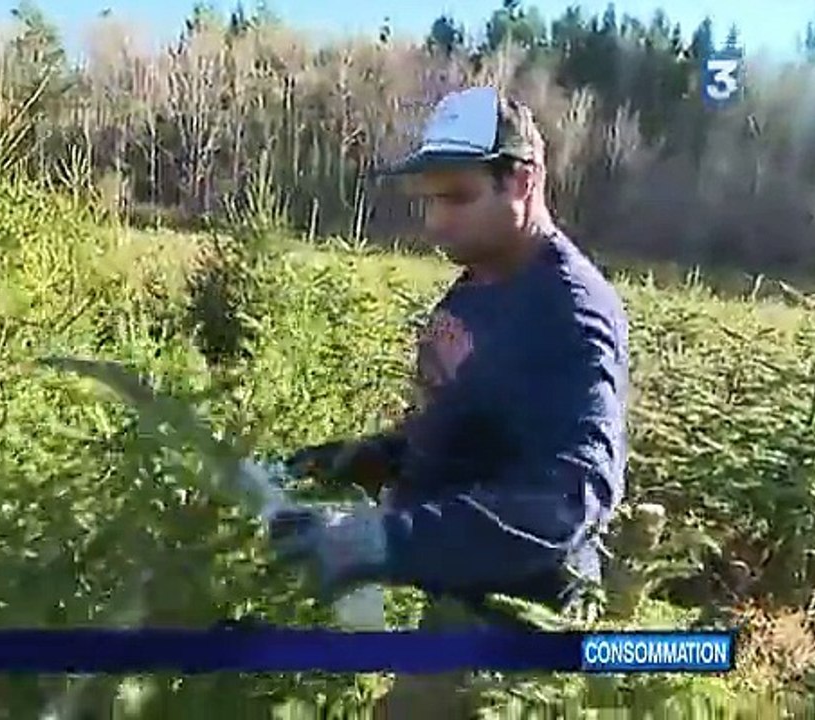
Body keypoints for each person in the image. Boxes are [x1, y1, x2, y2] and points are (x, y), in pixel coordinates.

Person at [267, 86, 630, 717]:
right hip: (452, 607)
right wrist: (368, 457)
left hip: (512, 632)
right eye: (429, 199)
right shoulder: (476, 285)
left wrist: (386, 541)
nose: (436, 222)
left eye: (457, 197)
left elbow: (569, 496)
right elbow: (468, 418)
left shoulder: (568, 311)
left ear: (522, 181)